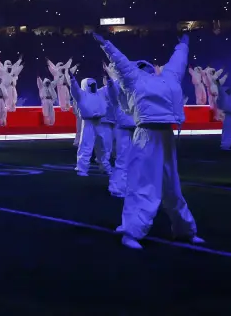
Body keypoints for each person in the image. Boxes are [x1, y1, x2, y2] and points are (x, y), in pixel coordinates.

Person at [94, 32, 202, 251]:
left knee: (172, 187)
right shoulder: (133, 79)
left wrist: (183, 45)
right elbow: (121, 61)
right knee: (143, 185)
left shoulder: (168, 77)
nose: (148, 69)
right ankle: (130, 232)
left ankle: (185, 230)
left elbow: (177, 61)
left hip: (166, 135)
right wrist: (106, 44)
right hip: (145, 135)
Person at [70, 75, 109, 176]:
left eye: (94, 84)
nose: (93, 86)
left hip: (100, 122)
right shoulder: (81, 94)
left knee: (103, 146)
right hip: (88, 123)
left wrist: (109, 76)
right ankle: (82, 168)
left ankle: (104, 166)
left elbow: (110, 86)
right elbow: (75, 89)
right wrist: (72, 79)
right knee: (86, 146)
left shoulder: (100, 93)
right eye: (90, 85)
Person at [104, 64, 133, 198]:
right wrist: (110, 79)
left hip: (137, 127)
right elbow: (112, 90)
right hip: (123, 127)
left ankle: (129, 185)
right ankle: (116, 186)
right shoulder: (117, 88)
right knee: (123, 158)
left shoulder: (135, 88)